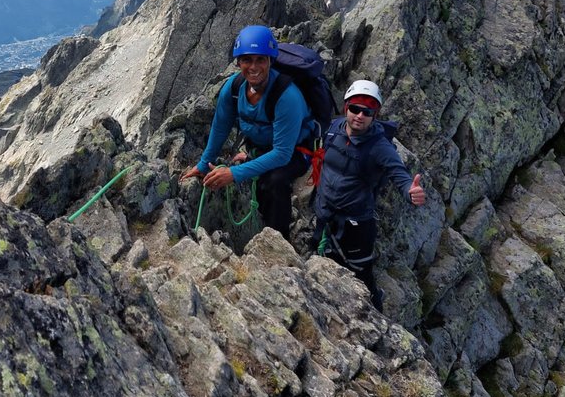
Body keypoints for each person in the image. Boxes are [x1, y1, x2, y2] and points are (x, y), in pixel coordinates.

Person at [180, 25, 317, 240]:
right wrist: (203, 164)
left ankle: (277, 242)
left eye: (260, 60)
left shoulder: (286, 96)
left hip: (295, 151)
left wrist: (234, 174)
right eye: (247, 60)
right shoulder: (233, 89)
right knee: (259, 179)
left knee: (274, 182)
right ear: (238, 62)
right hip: (261, 147)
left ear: (270, 61)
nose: (253, 67)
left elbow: (282, 153)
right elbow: (220, 126)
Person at [313, 79, 426, 311]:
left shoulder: (379, 147)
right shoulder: (334, 128)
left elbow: (399, 173)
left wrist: (410, 191)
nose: (360, 115)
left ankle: (375, 309)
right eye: (355, 108)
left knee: (361, 272)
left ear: (375, 115)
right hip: (324, 213)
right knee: (320, 253)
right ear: (346, 108)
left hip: (356, 224)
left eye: (367, 111)